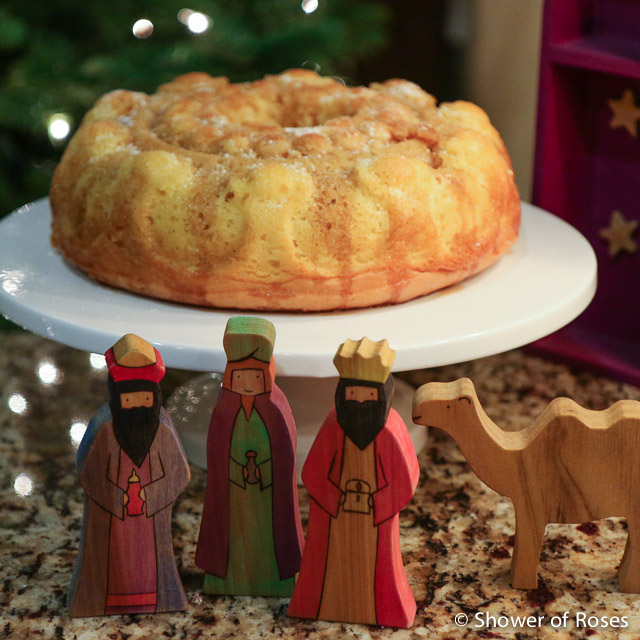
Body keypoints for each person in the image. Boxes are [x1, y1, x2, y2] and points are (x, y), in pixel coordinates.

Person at [288, 337, 419, 627]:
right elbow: (313, 472)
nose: (359, 401)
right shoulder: (333, 427)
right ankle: (320, 606)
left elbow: (404, 480)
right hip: (333, 518)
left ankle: (382, 610)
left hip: (374, 521)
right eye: (352, 393)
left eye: (368, 395)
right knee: (328, 566)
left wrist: (374, 503)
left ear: (382, 395)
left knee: (377, 568)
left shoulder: (389, 432)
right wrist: (339, 498)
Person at [68, 334, 190, 617]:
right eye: (128, 398)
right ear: (116, 397)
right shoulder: (105, 428)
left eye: (145, 398)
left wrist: (148, 494)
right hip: (112, 515)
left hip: (151, 516)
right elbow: (89, 473)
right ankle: (103, 600)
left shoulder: (161, 430)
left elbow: (178, 473)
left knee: (150, 562)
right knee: (111, 560)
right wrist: (119, 497)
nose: (137, 404)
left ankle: (156, 598)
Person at [195, 316, 303, 596]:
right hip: (233, 492)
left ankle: (273, 580)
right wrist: (236, 471)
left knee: (267, 535)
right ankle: (227, 578)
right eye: (240, 376)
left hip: (268, 493)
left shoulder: (275, 408)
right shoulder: (224, 409)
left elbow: (285, 454)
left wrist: (262, 470)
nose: (247, 383)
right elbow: (216, 454)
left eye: (255, 376)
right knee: (232, 534)